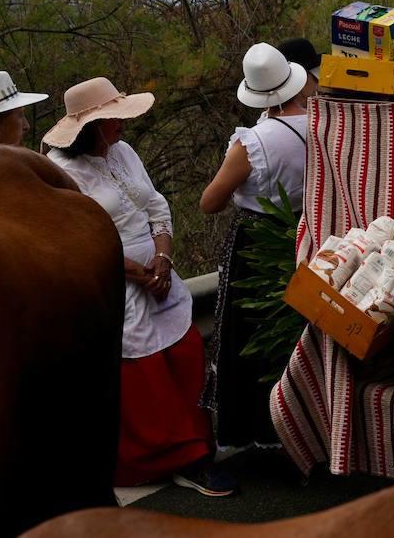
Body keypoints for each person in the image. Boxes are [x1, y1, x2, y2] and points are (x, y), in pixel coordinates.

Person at [45, 77, 236, 497]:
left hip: (157, 271)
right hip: (115, 280)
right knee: (144, 373)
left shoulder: (124, 152)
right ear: (89, 127)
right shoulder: (63, 174)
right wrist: (136, 272)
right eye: (113, 118)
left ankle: (195, 448)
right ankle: (169, 459)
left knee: (185, 353)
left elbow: (155, 205)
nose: (122, 125)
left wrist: (163, 259)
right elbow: (74, 239)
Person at [199, 43, 310, 447]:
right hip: (307, 234)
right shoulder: (321, 125)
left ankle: (256, 429)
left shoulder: (252, 143)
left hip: (256, 243)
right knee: (297, 330)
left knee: (251, 335)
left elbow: (209, 202)